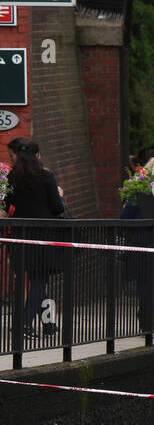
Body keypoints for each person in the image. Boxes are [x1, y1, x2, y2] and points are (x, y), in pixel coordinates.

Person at [4, 140, 66, 339]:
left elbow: (6, 204)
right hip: (44, 236)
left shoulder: (13, 177)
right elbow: (57, 208)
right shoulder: (46, 176)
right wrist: (60, 194)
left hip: (21, 235)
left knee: (36, 281)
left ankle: (48, 325)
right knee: (39, 281)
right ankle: (24, 323)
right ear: (37, 156)